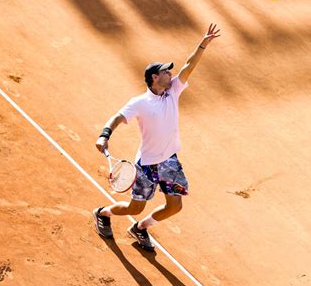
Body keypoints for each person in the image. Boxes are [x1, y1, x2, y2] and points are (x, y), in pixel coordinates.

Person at [93, 24, 221, 251]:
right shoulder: (140, 103)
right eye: (165, 72)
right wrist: (104, 135)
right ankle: (102, 213)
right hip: (147, 165)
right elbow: (117, 117)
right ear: (154, 77)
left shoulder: (173, 91)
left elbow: (188, 66)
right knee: (134, 208)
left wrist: (203, 44)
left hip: (169, 160)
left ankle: (140, 228)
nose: (170, 73)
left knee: (175, 207)